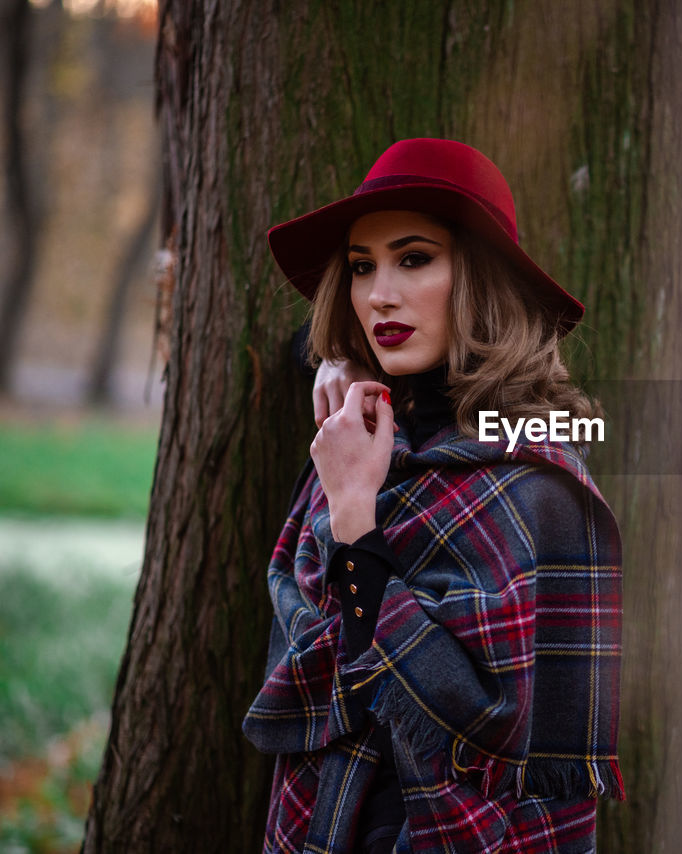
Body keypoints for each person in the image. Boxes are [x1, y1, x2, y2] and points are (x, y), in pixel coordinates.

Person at [242, 138, 624, 854]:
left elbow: (475, 715)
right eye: (362, 267)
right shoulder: (361, 441)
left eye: (414, 259)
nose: (380, 292)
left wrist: (355, 519)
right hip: (327, 820)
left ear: (480, 279)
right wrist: (334, 358)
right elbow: (318, 643)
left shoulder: (536, 483)